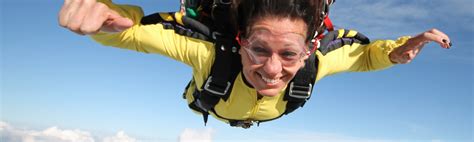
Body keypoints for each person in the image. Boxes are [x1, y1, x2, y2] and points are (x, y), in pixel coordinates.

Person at [58, 0, 452, 128]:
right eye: (259, 49)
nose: (272, 70)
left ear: (309, 49)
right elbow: (131, 32)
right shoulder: (211, 54)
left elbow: (365, 55)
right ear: (240, 41)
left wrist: (400, 49)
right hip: (207, 101)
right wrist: (105, 15)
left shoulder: (318, 60)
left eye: (289, 54)